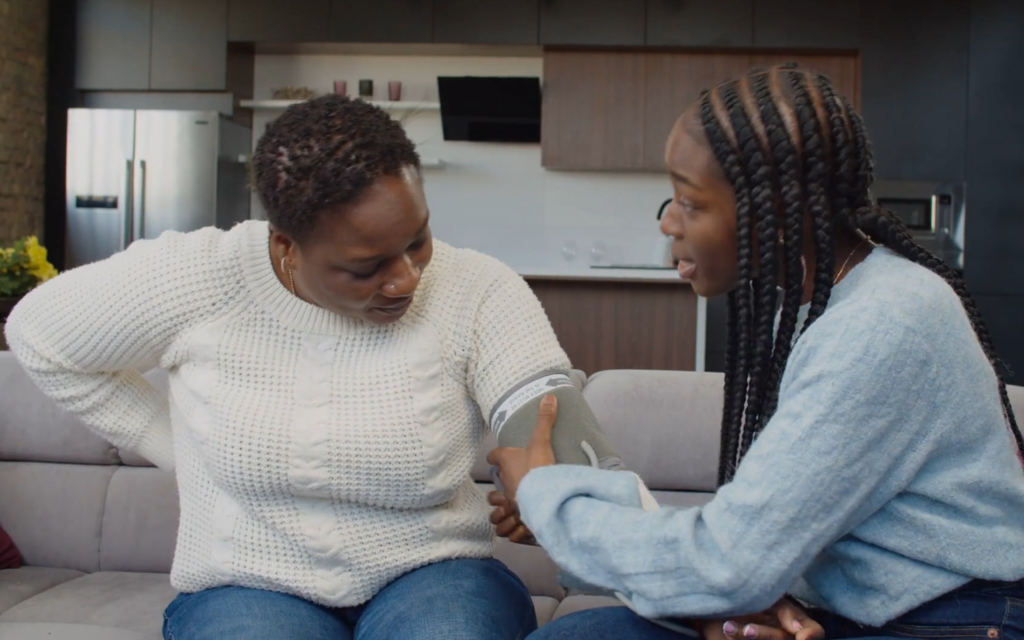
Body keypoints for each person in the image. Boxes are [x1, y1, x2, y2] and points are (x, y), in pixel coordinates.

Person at [4, 94, 615, 640]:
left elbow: (549, 412)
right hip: (249, 583)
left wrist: (554, 495)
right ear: (285, 247)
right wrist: (179, 445)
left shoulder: (475, 287)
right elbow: (39, 337)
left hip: (436, 573)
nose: (406, 277)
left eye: (417, 240)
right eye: (365, 267)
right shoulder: (199, 277)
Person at [488, 65, 1024, 640]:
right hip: (859, 610)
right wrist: (742, 606)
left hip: (952, 622)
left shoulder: (880, 324)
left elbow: (729, 563)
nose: (668, 221)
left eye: (690, 203)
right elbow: (753, 542)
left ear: (776, 218)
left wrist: (544, 494)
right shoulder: (813, 305)